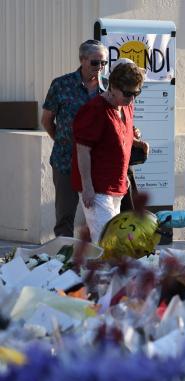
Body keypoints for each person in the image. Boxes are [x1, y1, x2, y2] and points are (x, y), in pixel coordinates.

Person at [71, 59, 146, 242]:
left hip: (117, 184)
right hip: (97, 188)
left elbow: (118, 135)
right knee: (107, 241)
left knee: (114, 242)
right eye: (128, 93)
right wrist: (87, 186)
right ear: (112, 86)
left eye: (137, 93)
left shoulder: (127, 106)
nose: (132, 98)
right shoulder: (94, 110)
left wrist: (136, 142)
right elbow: (82, 150)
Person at [42, 39, 108, 237]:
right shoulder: (61, 85)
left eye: (104, 63)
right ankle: (63, 260)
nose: (100, 67)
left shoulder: (108, 90)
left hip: (98, 163)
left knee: (101, 216)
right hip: (66, 161)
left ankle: (98, 260)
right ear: (82, 59)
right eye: (95, 62)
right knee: (64, 216)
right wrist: (62, 141)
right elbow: (46, 120)